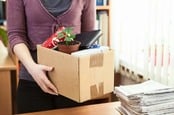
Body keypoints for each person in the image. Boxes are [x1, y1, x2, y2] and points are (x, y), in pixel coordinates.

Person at [7, 0, 96, 113]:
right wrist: (33, 68)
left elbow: (89, 37)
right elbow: (16, 35)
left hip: (73, 83)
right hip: (32, 80)